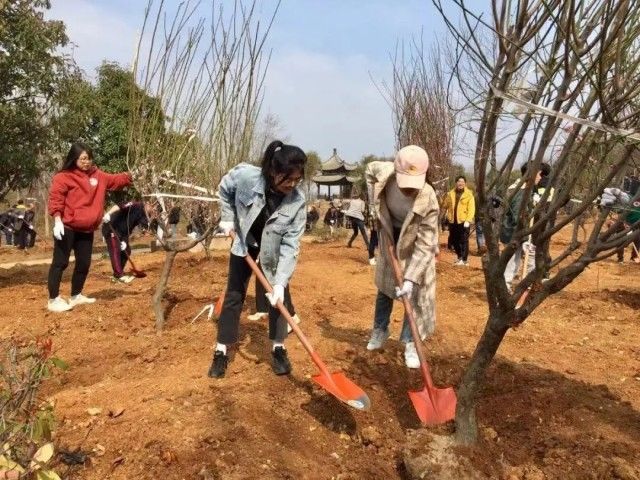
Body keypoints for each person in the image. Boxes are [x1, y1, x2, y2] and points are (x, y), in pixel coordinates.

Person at [208, 140, 307, 378]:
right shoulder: (246, 177)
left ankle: (278, 348)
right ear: (273, 171)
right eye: (288, 178)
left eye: (297, 179)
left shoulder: (297, 202)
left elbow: (291, 244)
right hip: (244, 241)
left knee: (277, 300)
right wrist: (227, 218)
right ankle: (221, 350)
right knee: (234, 294)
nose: (292, 185)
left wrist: (281, 283)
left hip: (272, 248)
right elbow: (224, 188)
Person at [365, 145, 439, 369]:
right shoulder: (383, 173)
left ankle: (409, 342)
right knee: (384, 289)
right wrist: (374, 208)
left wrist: (410, 279)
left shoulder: (429, 199)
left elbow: (426, 245)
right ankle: (380, 329)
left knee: (413, 295)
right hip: (390, 236)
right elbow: (368, 171)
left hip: (414, 244)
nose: (409, 191)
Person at [46, 142, 132, 312]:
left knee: (84, 263)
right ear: (74, 158)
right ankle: (53, 299)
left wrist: (133, 174)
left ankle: (76, 295)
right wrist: (57, 220)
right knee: (60, 262)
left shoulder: (98, 176)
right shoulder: (63, 177)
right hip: (67, 227)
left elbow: (116, 180)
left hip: (86, 229)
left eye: (89, 158)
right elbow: (56, 199)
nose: (87, 162)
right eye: (83, 158)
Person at [500, 162, 551, 292]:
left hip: (519, 233)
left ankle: (525, 284)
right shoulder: (521, 191)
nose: (541, 178)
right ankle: (505, 288)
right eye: (540, 174)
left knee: (522, 260)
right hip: (515, 232)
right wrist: (524, 234)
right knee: (513, 262)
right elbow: (518, 216)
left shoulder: (527, 189)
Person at [102, 199, 156, 283]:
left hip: (123, 233)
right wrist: (108, 214)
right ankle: (119, 275)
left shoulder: (144, 214)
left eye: (155, 208)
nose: (153, 209)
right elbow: (118, 206)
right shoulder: (135, 205)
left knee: (127, 251)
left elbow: (145, 227)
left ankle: (118, 272)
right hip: (111, 227)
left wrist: (151, 218)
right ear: (147, 203)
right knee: (115, 249)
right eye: (152, 206)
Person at [445, 176, 475, 266]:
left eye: (462, 181)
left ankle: (464, 260)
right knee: (454, 240)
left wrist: (468, 220)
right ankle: (459, 257)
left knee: (464, 240)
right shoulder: (450, 193)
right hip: (453, 221)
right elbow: (445, 205)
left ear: (465, 183)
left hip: (463, 221)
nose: (460, 183)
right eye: (458, 181)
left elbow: (471, 209)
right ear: (456, 183)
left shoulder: (469, 195)